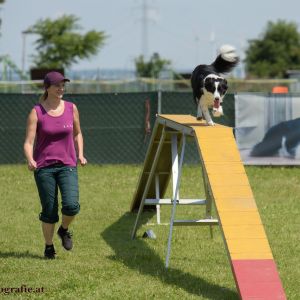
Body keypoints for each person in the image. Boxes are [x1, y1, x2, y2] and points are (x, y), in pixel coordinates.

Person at [23, 71, 87, 259]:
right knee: (49, 210)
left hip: (67, 164)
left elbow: (77, 133)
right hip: (44, 168)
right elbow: (28, 142)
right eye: (57, 85)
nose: (61, 88)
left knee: (71, 206)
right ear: (47, 88)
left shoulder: (71, 108)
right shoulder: (36, 112)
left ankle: (64, 229)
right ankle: (49, 246)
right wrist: (30, 159)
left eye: (63, 85)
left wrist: (80, 154)